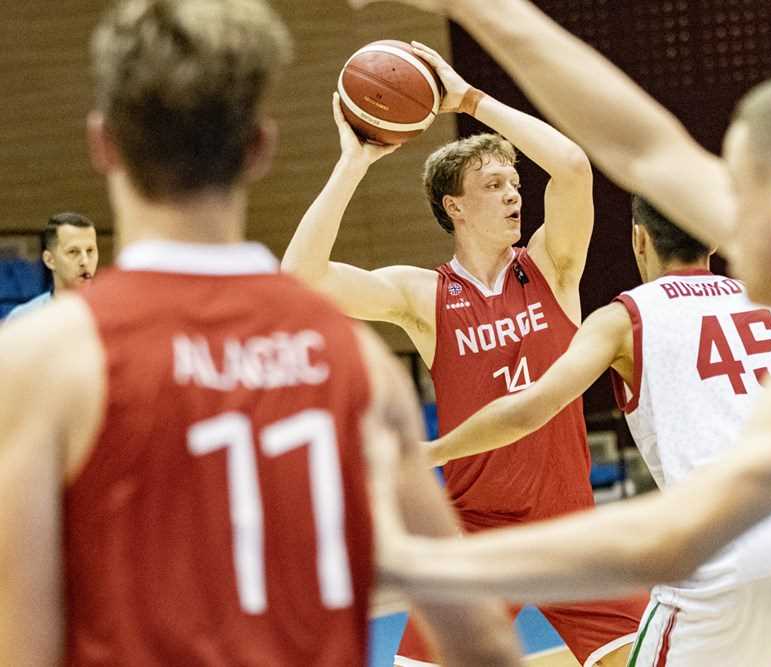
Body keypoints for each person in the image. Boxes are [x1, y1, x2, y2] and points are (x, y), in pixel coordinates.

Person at [352, 2, 771, 666]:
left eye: (732, 190)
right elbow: (646, 149)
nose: (717, 214)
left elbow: (674, 535)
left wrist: (427, 566)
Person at [0, 1, 521, 665]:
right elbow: (480, 639)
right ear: (260, 148)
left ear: (103, 144)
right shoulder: (354, 361)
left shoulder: (47, 359)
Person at [425, 195, 771, 667]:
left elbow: (528, 409)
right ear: (713, 243)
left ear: (639, 239)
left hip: (726, 543)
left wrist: (436, 450)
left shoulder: (623, 317)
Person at [282, 40, 645, 667]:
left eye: (513, 182)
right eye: (493, 184)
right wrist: (354, 160)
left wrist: (468, 98)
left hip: (571, 527)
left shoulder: (554, 269)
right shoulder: (423, 296)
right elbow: (300, 278)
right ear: (455, 207)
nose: (513, 194)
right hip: (477, 533)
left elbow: (574, 169)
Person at [5, 212, 98, 320]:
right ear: (49, 260)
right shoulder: (23, 318)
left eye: (90, 250)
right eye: (73, 252)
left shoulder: (116, 313)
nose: (85, 261)